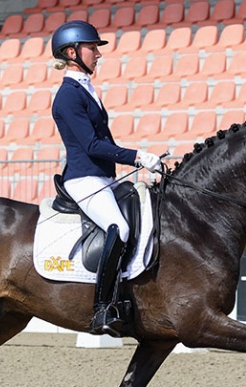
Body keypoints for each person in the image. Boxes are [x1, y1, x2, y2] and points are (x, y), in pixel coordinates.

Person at [50, 20, 162, 337]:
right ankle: (102, 309)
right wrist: (139, 157)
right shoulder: (68, 96)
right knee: (120, 227)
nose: (98, 54)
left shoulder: (85, 89)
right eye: (92, 48)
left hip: (101, 177)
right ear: (72, 52)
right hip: (84, 178)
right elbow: (92, 145)